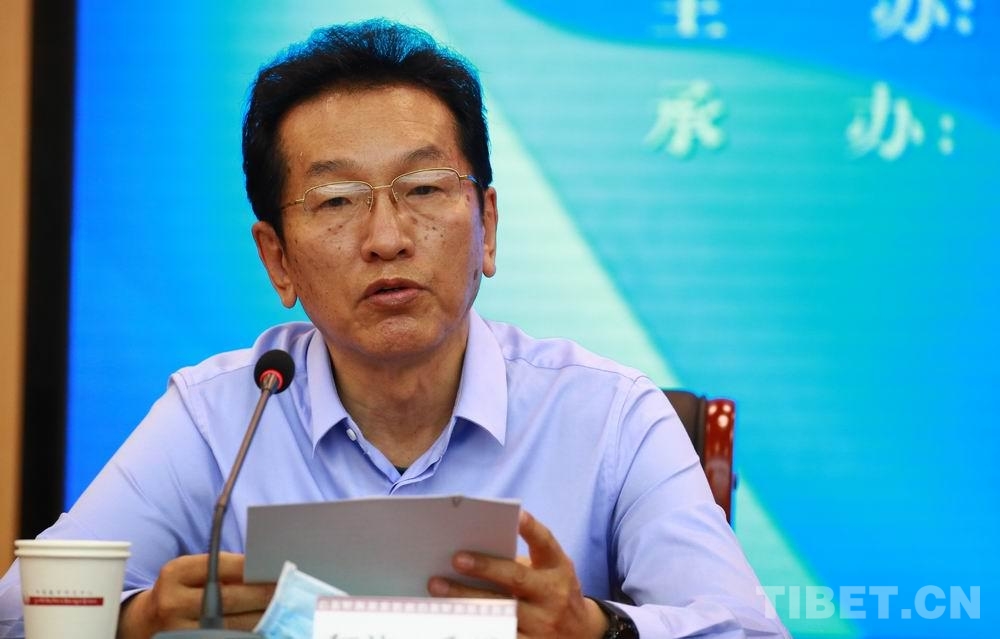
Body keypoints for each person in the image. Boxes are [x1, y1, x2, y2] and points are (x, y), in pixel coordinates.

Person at [0, 19, 788, 639]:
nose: (387, 237)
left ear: (487, 226)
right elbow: (17, 612)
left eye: (423, 188)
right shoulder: (221, 416)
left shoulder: (611, 414)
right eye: (337, 201)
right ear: (278, 259)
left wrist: (599, 628)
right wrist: (137, 620)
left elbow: (750, 630)